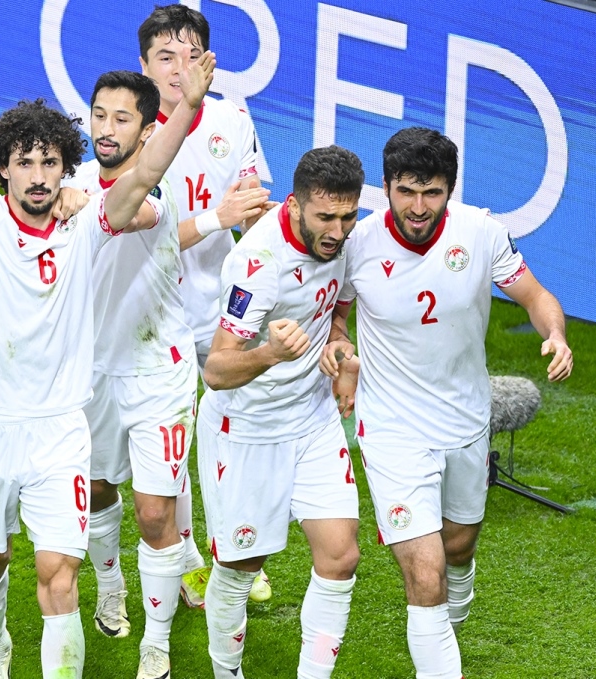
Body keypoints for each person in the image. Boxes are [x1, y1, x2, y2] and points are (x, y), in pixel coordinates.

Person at [0, 39, 214, 679]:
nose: (37, 175)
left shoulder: (87, 226)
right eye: (24, 162)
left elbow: (144, 174)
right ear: (3, 169)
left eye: (49, 162)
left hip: (58, 430)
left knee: (59, 574)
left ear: (64, 170)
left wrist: (187, 110)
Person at [331, 127, 574, 679]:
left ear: (450, 189)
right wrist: (341, 350)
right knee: (425, 571)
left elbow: (535, 296)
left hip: (465, 420)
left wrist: (556, 335)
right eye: (406, 192)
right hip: (392, 429)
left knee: (458, 550)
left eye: (432, 193)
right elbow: (337, 317)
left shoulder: (481, 233)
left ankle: (449, 624)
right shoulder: (359, 244)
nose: (418, 208)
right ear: (386, 187)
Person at [197, 146, 365, 679]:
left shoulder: (343, 242)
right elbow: (216, 370)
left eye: (347, 216)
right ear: (294, 205)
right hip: (247, 429)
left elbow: (337, 311)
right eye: (325, 217)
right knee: (241, 567)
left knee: (340, 556)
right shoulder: (258, 266)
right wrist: (272, 354)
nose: (337, 231)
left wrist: (338, 347)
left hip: (313, 420)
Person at [137, 1, 275, 609]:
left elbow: (252, 211)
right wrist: (219, 216)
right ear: (144, 65)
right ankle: (193, 562)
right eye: (165, 57)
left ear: (209, 63)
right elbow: (136, 231)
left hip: (223, 311)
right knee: (175, 445)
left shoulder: (232, 119)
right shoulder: (132, 127)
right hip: (155, 314)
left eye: (191, 56)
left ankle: (236, 549)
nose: (179, 69)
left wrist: (264, 247)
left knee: (238, 434)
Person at [64, 70, 197, 679]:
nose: (107, 129)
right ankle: (111, 586)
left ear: (147, 131)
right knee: (95, 491)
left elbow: (134, 211)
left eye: (122, 119)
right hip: (89, 370)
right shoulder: (72, 177)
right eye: (99, 115)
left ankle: (156, 646)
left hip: (156, 374)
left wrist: (76, 202)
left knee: (154, 514)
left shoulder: (156, 187)